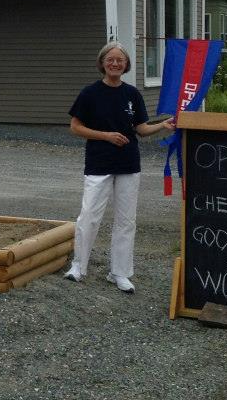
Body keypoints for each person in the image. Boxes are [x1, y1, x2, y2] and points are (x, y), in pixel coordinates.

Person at [63, 41, 174, 293]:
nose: (115, 64)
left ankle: (120, 273)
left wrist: (163, 125)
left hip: (128, 163)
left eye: (120, 60)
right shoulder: (90, 93)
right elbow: (75, 127)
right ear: (102, 63)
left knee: (126, 220)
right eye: (110, 59)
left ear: (126, 65)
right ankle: (78, 266)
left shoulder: (132, 94)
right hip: (99, 162)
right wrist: (106, 136)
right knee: (89, 215)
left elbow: (141, 129)